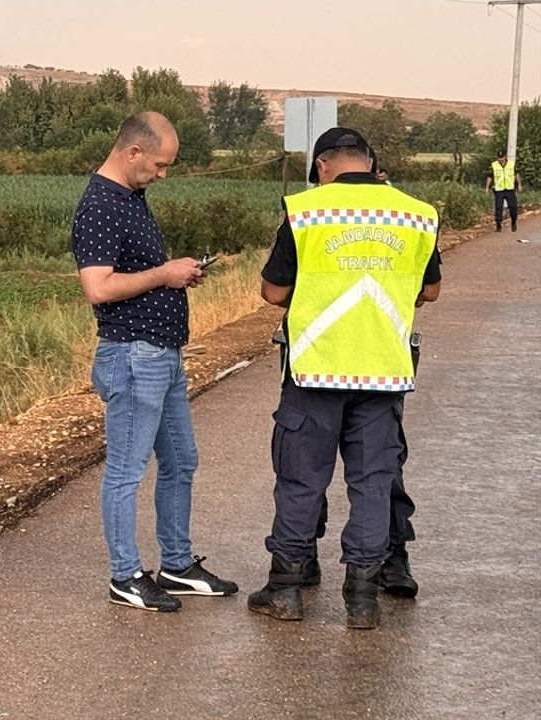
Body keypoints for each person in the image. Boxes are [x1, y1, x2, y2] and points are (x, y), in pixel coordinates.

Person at [248, 127, 441, 629]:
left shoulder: (305, 212)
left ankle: (286, 591)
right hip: (382, 374)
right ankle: (363, 600)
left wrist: (317, 295)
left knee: (301, 481)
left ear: (322, 167)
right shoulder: (417, 215)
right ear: (372, 162)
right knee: (373, 485)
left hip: (315, 370)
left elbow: (272, 292)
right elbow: (431, 291)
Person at [71, 110, 238, 613]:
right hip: (132, 355)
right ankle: (125, 575)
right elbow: (98, 288)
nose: (163, 175)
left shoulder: (131, 199)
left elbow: (140, 271)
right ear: (133, 152)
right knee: (126, 470)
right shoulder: (100, 205)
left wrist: (176, 275)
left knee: (181, 460)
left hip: (161, 354)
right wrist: (164, 274)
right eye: (160, 165)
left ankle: (177, 564)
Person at [485, 149, 523, 232]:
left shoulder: (511, 164)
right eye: (499, 158)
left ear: (505, 156)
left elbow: (516, 174)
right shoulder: (494, 165)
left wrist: (519, 184)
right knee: (498, 208)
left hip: (510, 189)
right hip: (499, 190)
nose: (500, 159)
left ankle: (513, 222)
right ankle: (498, 225)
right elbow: (489, 176)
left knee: (513, 207)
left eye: (502, 157)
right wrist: (487, 187)